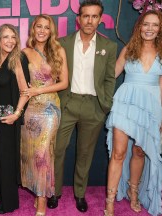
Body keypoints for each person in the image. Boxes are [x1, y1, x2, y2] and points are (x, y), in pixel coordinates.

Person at [48, 0, 117, 212]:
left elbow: (109, 79)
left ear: (100, 19)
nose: (89, 20)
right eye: (86, 16)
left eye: (94, 16)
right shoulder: (62, 43)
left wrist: (104, 105)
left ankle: (79, 194)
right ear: (78, 19)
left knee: (85, 153)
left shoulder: (109, 46)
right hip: (67, 103)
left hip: (93, 106)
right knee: (57, 150)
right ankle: (54, 191)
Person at [104, 10, 162, 216]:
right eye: (146, 24)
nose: (149, 29)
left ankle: (134, 193)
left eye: (154, 25)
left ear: (160, 30)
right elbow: (111, 75)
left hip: (150, 107)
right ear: (139, 27)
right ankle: (110, 200)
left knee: (139, 151)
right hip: (125, 104)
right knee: (118, 152)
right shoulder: (129, 49)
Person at [20, 14, 68, 216]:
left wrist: (38, 91)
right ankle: (38, 191)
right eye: (38, 26)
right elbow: (21, 82)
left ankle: (41, 203)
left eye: (46, 28)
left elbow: (64, 83)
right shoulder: (25, 52)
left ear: (51, 31)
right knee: (32, 154)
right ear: (33, 29)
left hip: (49, 109)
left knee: (43, 155)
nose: (42, 30)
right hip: (31, 110)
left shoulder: (58, 50)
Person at [0, 24, 30, 214]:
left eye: (13, 37)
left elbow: (25, 91)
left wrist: (16, 114)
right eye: (5, 37)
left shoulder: (17, 59)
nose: (10, 41)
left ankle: (9, 201)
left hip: (7, 112)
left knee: (6, 157)